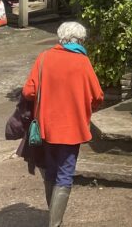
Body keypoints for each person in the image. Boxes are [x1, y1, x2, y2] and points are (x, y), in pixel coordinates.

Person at [22, 21, 104, 227]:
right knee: (65, 173)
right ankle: (54, 224)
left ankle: (54, 219)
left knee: (50, 171)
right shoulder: (82, 62)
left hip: (45, 127)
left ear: (61, 38)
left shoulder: (44, 58)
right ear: (80, 40)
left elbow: (28, 92)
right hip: (72, 128)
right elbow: (97, 96)